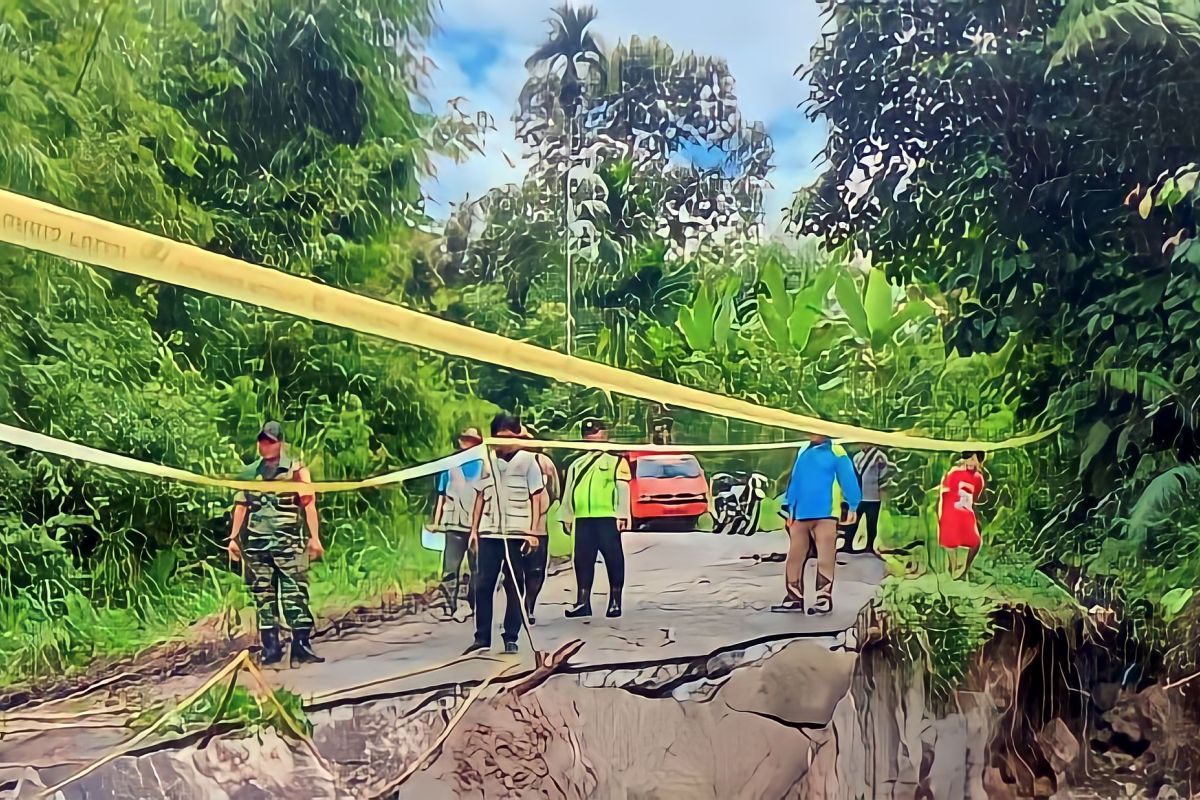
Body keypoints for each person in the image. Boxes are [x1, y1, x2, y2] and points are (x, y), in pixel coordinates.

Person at [227, 421, 325, 667]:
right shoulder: (250, 473)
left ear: (280, 443)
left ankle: (301, 645)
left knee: (295, 594)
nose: (264, 446)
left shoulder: (296, 471)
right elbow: (241, 506)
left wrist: (315, 537)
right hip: (258, 545)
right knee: (263, 596)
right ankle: (271, 648)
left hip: (289, 544)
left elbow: (308, 504)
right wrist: (233, 538)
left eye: (270, 441)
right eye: (262, 440)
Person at [465, 413, 548, 655]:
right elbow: (479, 497)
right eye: (499, 437)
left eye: (508, 437)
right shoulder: (486, 461)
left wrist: (533, 531)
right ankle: (482, 637)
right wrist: (474, 531)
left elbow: (536, 497)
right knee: (483, 585)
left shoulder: (528, 461)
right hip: (490, 532)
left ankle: (511, 635)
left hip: (518, 533)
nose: (503, 442)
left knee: (515, 585)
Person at [773, 433, 861, 615]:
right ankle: (794, 598)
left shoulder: (836, 450)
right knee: (795, 556)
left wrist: (853, 505)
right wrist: (789, 507)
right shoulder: (803, 449)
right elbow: (795, 480)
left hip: (826, 514)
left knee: (825, 556)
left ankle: (823, 598)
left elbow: (848, 478)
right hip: (800, 514)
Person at [560, 418, 632, 619]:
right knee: (582, 560)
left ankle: (615, 601)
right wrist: (566, 515)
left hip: (606, 517)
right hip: (583, 518)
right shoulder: (577, 463)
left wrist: (622, 514)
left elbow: (622, 488)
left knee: (613, 559)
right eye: (588, 434)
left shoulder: (616, 461)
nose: (592, 437)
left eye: (596, 432)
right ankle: (583, 602)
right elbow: (569, 491)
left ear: (605, 434)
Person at [431, 426, 485, 621]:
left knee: (477, 569)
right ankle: (449, 606)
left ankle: (475, 603)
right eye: (464, 439)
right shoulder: (450, 465)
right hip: (453, 523)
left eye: (470, 439)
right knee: (450, 568)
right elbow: (442, 496)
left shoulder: (484, 464)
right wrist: (436, 522)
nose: (466, 442)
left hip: (478, 525)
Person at [510, 425, 559, 624]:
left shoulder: (543, 462)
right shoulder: (506, 463)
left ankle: (528, 605)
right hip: (513, 526)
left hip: (538, 527)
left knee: (536, 570)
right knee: (514, 571)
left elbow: (554, 490)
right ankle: (515, 607)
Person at [938, 451, 987, 580]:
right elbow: (945, 493)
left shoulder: (978, 478)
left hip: (966, 512)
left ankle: (962, 569)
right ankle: (953, 569)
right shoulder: (954, 473)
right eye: (969, 458)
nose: (972, 461)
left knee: (975, 540)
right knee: (950, 542)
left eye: (975, 459)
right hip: (951, 512)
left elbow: (975, 497)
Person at [840, 445, 891, 554]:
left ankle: (869, 546)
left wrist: (876, 482)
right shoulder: (857, 456)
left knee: (871, 523)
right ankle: (847, 544)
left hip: (873, 496)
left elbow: (885, 472)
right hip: (858, 496)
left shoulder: (880, 456)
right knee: (853, 522)